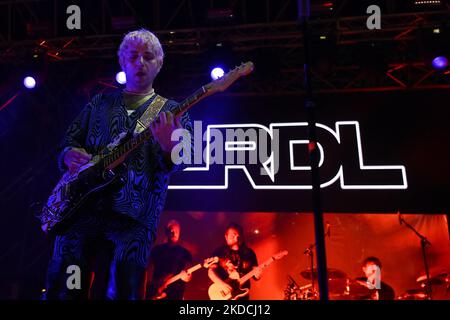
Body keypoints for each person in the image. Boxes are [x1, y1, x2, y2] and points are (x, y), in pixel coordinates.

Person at [43, 28, 192, 300]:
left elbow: (183, 161)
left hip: (133, 221)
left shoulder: (172, 110)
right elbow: (69, 140)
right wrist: (67, 154)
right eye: (133, 56)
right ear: (123, 62)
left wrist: (171, 147)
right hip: (80, 211)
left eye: (148, 56)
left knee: (123, 293)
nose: (140, 62)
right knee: (63, 291)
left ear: (159, 63)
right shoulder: (99, 103)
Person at [208, 222, 262, 300]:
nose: (236, 238)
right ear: (226, 237)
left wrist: (258, 275)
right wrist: (222, 284)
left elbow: (255, 275)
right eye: (232, 236)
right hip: (223, 294)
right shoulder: (219, 251)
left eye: (238, 236)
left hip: (242, 295)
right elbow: (211, 272)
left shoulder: (249, 253)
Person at [146, 219, 192, 300]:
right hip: (156, 291)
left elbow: (188, 275)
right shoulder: (157, 250)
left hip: (176, 293)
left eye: (176, 231)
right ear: (166, 232)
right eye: (171, 231)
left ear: (180, 232)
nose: (173, 233)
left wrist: (186, 277)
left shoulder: (185, 253)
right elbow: (146, 268)